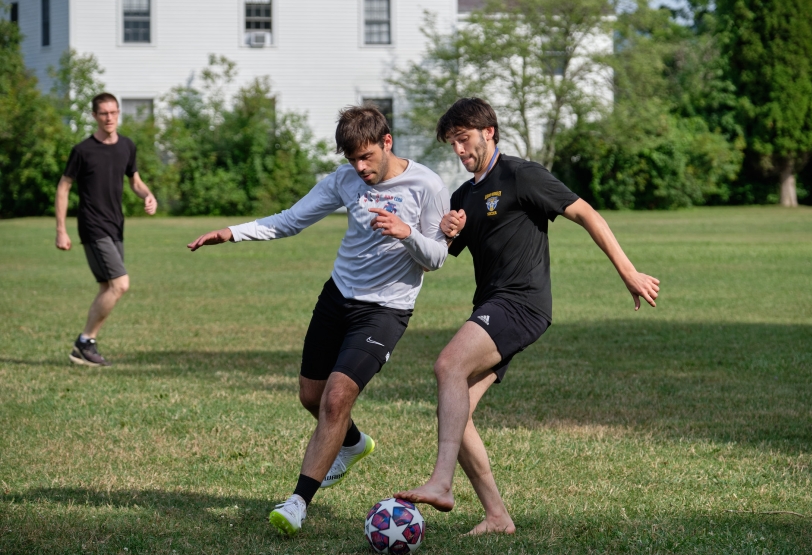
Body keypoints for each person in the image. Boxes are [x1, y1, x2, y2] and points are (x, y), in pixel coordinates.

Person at [395, 98, 660, 535]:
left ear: (489, 132)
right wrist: (441, 233)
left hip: (523, 303)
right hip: (492, 306)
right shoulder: (464, 197)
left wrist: (628, 272)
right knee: (454, 412)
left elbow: (586, 213)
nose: (459, 152)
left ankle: (442, 481)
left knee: (447, 366)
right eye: (453, 145)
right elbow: (432, 260)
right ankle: (497, 516)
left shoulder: (521, 175)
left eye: (464, 140)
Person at [187, 105, 450, 536]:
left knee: (335, 398)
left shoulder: (427, 185)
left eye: (366, 157)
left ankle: (297, 502)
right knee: (311, 397)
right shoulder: (345, 180)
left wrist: (407, 233)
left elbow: (437, 257)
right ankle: (353, 443)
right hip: (337, 299)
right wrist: (233, 232)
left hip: (385, 310)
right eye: (352, 160)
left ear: (387, 142)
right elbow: (292, 220)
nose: (360, 168)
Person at [56, 92, 157, 367]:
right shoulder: (82, 151)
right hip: (92, 225)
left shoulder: (126, 146)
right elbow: (64, 187)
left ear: (118, 113)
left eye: (113, 112)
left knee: (106, 286)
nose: (109, 117)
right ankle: (85, 339)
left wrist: (147, 194)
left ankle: (84, 347)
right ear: (94, 116)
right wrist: (61, 229)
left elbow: (134, 180)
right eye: (103, 113)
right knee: (120, 284)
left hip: (116, 226)